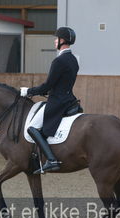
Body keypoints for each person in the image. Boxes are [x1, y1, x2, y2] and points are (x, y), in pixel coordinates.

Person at [20, 27, 79, 174]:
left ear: (62, 41)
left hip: (57, 102)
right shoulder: (73, 59)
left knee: (32, 128)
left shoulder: (59, 61)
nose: (54, 41)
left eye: (56, 38)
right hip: (69, 99)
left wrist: (28, 91)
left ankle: (51, 160)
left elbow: (47, 86)